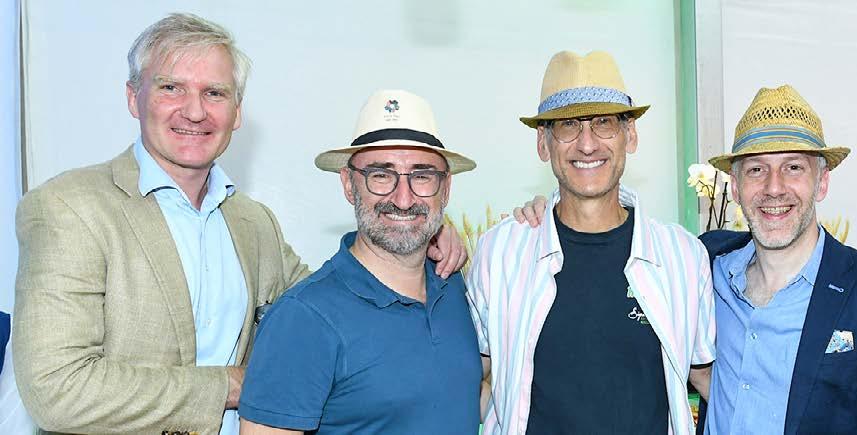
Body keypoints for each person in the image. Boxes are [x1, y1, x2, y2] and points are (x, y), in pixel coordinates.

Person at [12, 14, 462, 434]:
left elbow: (331, 308)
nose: (194, 111)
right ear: (134, 97)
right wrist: (235, 384)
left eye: (214, 93)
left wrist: (417, 233)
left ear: (237, 110)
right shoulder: (68, 208)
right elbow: (56, 388)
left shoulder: (253, 223)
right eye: (171, 87)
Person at [467, 50, 715, 435]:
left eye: (604, 123)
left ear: (630, 135)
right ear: (543, 142)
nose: (587, 144)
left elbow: (709, 379)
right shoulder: (500, 254)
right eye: (568, 125)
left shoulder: (682, 257)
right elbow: (466, 378)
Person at [238, 90, 481, 434]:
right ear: (349, 185)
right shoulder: (303, 318)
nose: (403, 198)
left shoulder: (452, 285)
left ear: (446, 188)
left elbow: (468, 392)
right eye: (381, 175)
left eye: (422, 175)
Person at [699, 85, 857, 434]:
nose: (774, 187)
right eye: (756, 169)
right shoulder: (706, 267)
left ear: (822, 183)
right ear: (736, 187)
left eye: (793, 167)